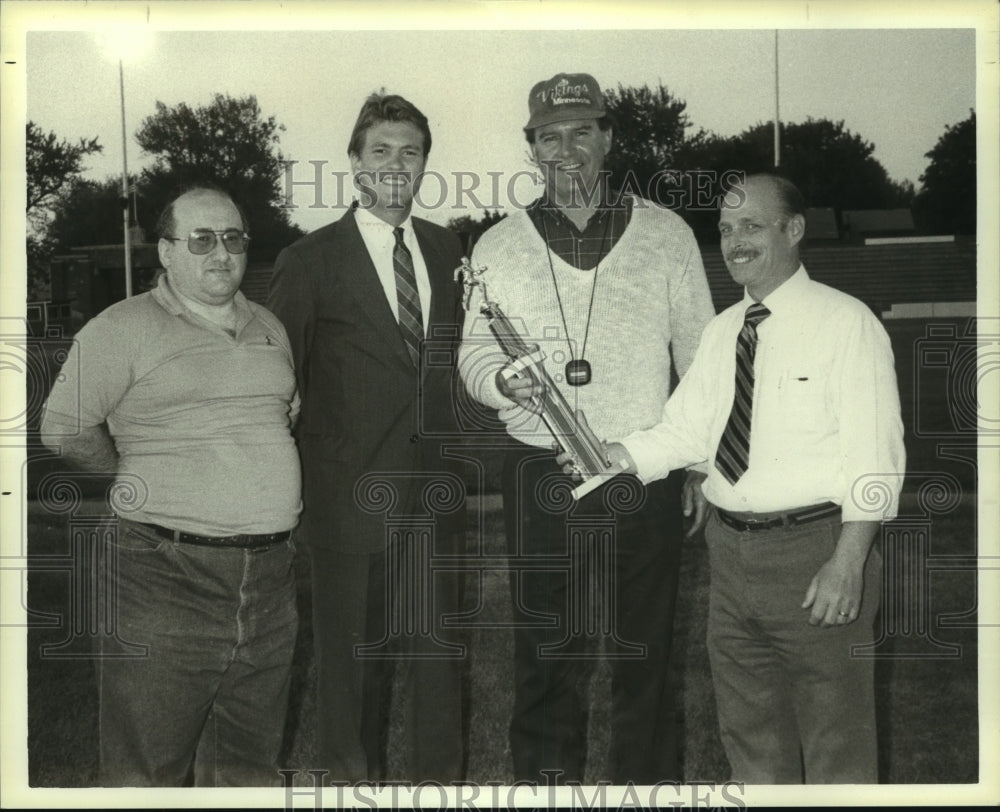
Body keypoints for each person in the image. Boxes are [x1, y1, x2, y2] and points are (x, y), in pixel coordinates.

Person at [572, 173, 906, 783]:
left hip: (816, 555)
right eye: (725, 230)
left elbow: (876, 459)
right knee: (751, 741)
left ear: (794, 230)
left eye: (751, 225)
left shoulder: (847, 324)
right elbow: (685, 433)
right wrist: (614, 453)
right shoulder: (723, 331)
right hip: (730, 562)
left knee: (838, 746)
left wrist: (848, 562)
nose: (735, 242)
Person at [457, 72, 715, 784]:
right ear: (531, 148)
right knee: (545, 654)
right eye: (549, 135)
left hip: (643, 467)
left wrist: (696, 465)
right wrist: (497, 379)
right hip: (543, 470)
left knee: (647, 655)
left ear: (607, 138)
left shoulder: (666, 234)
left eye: (581, 131)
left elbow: (699, 354)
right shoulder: (498, 246)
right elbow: (474, 352)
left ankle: (647, 791)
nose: (566, 148)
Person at [39, 186, 302, 787]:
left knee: (247, 770)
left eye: (233, 238)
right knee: (146, 772)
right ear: (165, 250)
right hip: (162, 574)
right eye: (201, 239)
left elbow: (283, 417)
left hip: (269, 578)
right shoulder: (122, 326)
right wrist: (131, 476)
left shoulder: (270, 326)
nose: (221, 253)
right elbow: (64, 429)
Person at [266, 93, 466, 783]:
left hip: (435, 495)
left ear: (424, 165)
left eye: (410, 152)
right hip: (347, 502)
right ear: (354, 164)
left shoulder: (447, 249)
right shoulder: (310, 259)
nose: (395, 164)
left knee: (440, 663)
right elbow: (276, 385)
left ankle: (440, 787)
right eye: (380, 150)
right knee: (351, 671)